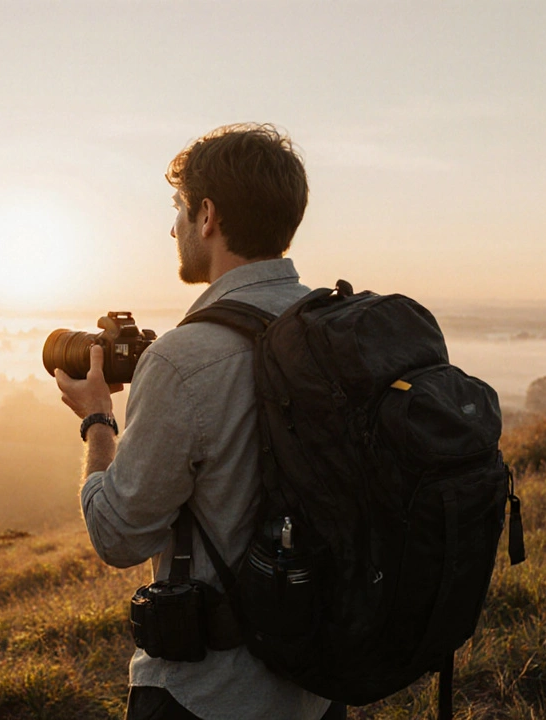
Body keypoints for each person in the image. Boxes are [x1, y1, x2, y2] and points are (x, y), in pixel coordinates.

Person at [55, 124, 341, 720]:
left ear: (206, 216)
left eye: (179, 211)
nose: (173, 228)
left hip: (209, 696)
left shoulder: (185, 361)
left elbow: (117, 536)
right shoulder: (333, 331)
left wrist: (99, 421)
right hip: (319, 683)